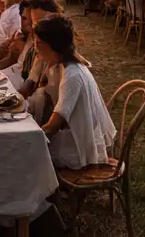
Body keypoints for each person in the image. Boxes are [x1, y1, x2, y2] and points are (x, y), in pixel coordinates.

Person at [33, 17, 118, 169]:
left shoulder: (72, 75)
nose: (35, 47)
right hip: (71, 138)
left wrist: (29, 140)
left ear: (50, 45)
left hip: (79, 149)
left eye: (38, 43)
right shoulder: (59, 66)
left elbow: (53, 125)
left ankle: (44, 191)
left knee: (26, 157)